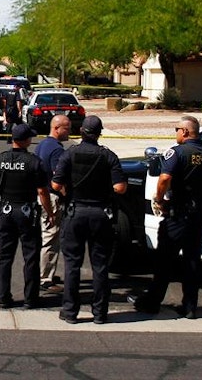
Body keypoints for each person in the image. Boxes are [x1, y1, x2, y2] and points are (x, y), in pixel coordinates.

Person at [128, 115, 202, 319]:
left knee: (164, 260)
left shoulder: (177, 152)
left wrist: (159, 198)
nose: (176, 133)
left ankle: (152, 303)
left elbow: (165, 178)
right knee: (192, 261)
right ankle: (190, 307)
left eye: (177, 129)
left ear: (186, 132)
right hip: (200, 216)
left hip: (178, 215)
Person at [52, 116, 127, 325]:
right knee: (100, 266)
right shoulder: (108, 156)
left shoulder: (70, 154)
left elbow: (56, 185)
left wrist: (69, 191)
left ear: (81, 132)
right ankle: (100, 313)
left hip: (75, 212)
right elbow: (120, 187)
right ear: (99, 134)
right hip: (100, 213)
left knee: (72, 265)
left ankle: (70, 311)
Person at [0, 123, 54, 309]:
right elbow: (42, 191)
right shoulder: (34, 162)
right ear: (26, 140)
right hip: (27, 212)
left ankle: (3, 297)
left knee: (5, 256)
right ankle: (31, 298)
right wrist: (49, 212)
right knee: (30, 257)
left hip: (5, 210)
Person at [33, 114, 71, 294]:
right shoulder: (56, 150)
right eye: (66, 128)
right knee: (51, 237)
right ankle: (45, 279)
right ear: (56, 128)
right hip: (52, 198)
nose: (69, 132)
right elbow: (58, 179)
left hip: (40, 195)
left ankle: (44, 272)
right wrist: (67, 196)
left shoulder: (41, 145)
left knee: (44, 236)